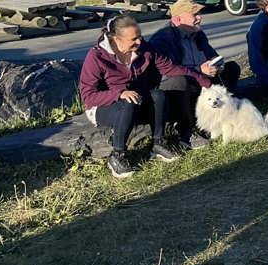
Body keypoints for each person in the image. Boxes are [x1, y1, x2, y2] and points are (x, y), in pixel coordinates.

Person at [79, 15, 211, 179]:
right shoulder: (96, 56)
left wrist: (206, 83)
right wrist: (119, 93)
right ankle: (118, 155)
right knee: (128, 102)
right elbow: (88, 96)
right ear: (116, 39)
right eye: (133, 39)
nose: (139, 42)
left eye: (140, 36)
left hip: (137, 100)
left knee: (158, 95)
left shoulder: (145, 49)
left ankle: (158, 143)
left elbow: (172, 68)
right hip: (104, 106)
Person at [149, 0, 241, 148]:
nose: (199, 18)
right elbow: (170, 70)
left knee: (231, 68)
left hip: (201, 79)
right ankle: (186, 132)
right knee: (180, 80)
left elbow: (211, 54)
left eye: (199, 14)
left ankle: (222, 115)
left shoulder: (197, 34)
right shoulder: (164, 38)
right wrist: (199, 70)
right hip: (175, 86)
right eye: (194, 15)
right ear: (178, 19)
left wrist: (217, 64)